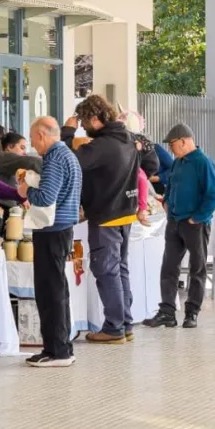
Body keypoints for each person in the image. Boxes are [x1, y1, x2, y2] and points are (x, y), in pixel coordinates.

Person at [16, 117, 82, 367]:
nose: (33, 144)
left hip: (51, 231)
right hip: (64, 228)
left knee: (49, 291)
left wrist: (26, 191)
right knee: (58, 288)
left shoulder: (54, 158)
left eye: (33, 139)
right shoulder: (69, 156)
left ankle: (56, 351)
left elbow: (45, 197)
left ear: (42, 135)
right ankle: (61, 347)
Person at [75, 94, 141, 344]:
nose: (84, 128)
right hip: (125, 213)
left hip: (106, 215)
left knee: (106, 271)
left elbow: (72, 161)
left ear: (95, 118)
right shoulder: (129, 139)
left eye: (84, 122)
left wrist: (68, 134)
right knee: (120, 269)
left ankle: (113, 328)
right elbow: (152, 161)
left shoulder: (101, 146)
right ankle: (125, 324)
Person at [143, 123, 215, 329]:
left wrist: (197, 218)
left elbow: (214, 195)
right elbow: (170, 186)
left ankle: (192, 312)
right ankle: (167, 312)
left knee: (197, 268)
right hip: (175, 222)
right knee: (169, 267)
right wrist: (167, 203)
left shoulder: (203, 163)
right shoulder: (178, 162)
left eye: (173, 144)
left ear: (184, 141)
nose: (171, 149)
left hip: (194, 224)